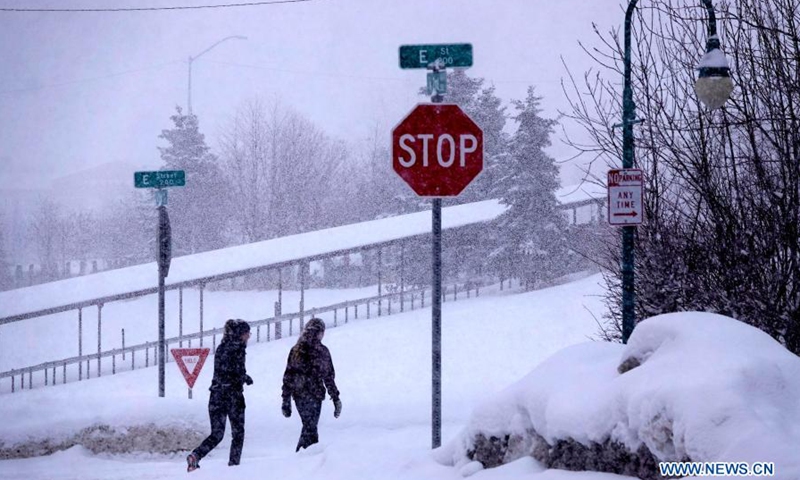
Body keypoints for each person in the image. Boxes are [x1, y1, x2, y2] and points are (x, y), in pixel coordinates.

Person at [187, 319, 253, 472]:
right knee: (238, 433)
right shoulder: (237, 349)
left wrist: (242, 376)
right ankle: (233, 467)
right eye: (246, 333)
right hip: (232, 397)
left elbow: (224, 371)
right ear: (240, 334)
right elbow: (234, 372)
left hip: (216, 395)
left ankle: (196, 455)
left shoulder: (222, 348)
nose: (248, 337)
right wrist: (243, 377)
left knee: (217, 434)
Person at [281, 317, 342, 452]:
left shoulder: (296, 349)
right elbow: (328, 377)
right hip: (314, 394)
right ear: (320, 332)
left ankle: (307, 455)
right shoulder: (321, 351)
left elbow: (288, 375)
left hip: (299, 394)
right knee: (310, 427)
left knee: (309, 426)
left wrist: (286, 399)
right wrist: (335, 398)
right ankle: (305, 456)